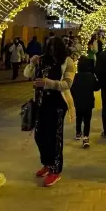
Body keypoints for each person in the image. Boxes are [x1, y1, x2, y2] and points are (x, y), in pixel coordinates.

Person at [23, 36, 76, 187]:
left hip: (57, 103)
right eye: (48, 46)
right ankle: (46, 163)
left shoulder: (67, 61)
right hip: (40, 102)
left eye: (53, 47)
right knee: (40, 136)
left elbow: (68, 83)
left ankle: (55, 169)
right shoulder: (41, 59)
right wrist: (31, 63)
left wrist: (48, 83)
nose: (50, 49)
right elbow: (27, 75)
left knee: (54, 137)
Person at [70, 56, 100, 148]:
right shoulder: (91, 76)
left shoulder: (75, 76)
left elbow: (72, 89)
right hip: (88, 101)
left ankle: (78, 132)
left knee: (79, 117)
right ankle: (86, 137)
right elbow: (96, 88)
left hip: (78, 101)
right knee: (87, 120)